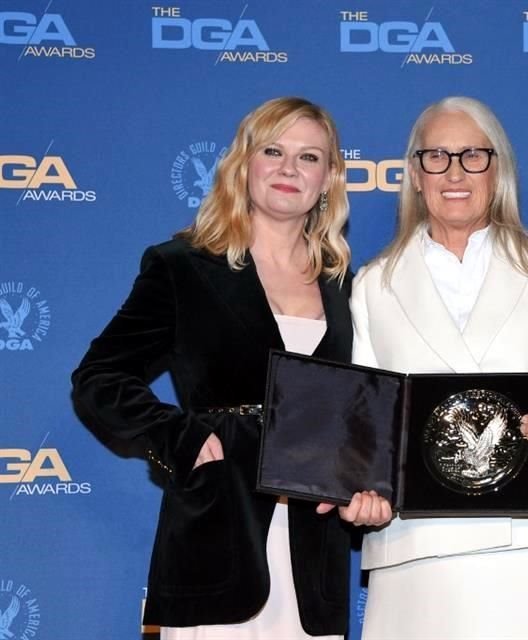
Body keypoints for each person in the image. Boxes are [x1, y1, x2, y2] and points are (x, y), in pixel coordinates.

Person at [71, 96, 386, 639]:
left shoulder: (347, 287)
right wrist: (179, 437)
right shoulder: (182, 267)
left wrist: (372, 485)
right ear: (244, 164)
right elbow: (98, 378)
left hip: (314, 562)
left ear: (329, 179)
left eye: (309, 157)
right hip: (217, 534)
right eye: (274, 151)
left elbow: (365, 412)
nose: (290, 168)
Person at [349, 96, 528, 639]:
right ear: (415, 174)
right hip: (416, 553)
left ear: (498, 170)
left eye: (473, 155)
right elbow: (365, 434)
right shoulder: (373, 287)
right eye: (436, 156)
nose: (454, 173)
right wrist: (362, 489)